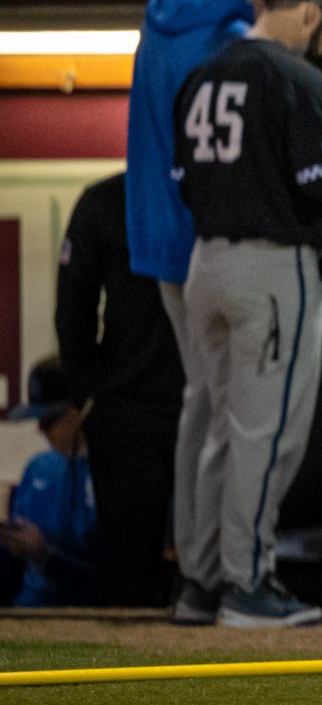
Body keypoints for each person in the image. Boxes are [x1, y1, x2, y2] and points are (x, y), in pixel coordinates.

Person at [170, 0, 322, 627]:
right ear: (309, 10)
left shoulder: (202, 73)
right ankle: (246, 582)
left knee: (214, 431)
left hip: (205, 263)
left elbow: (186, 180)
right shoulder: (297, 77)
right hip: (270, 269)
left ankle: (200, 582)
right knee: (264, 431)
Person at [126, 0, 308, 626]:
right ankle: (237, 579)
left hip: (158, 235)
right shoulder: (234, 38)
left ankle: (197, 580)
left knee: (200, 410)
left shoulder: (164, 12)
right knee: (238, 418)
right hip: (217, 232)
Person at [51, 173, 183, 605]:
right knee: (132, 570)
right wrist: (88, 395)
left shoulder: (212, 189)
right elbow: (74, 307)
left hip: (195, 401)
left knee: (197, 570)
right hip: (132, 406)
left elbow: (73, 308)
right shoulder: (106, 201)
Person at [2, 358, 100, 607]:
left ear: (76, 413)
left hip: (79, 606)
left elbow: (106, 576)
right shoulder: (38, 468)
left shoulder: (109, 476)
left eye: (48, 422)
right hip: (28, 601)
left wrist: (46, 555)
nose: (40, 431)